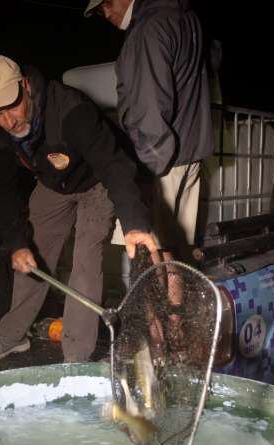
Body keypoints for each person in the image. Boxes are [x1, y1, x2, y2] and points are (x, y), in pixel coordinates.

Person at [0, 55, 157, 362]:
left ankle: (75, 357)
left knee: (85, 263)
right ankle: (12, 335)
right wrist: (17, 243)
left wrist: (134, 222)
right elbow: (0, 189)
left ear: (26, 86)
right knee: (30, 256)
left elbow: (113, 165)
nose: (9, 121)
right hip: (53, 184)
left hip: (95, 181)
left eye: (12, 106)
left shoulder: (71, 110)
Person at [84, 0, 213, 260]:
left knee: (150, 254)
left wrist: (143, 172)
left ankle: (155, 302)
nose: (106, 13)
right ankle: (177, 302)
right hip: (190, 152)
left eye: (107, 4)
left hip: (160, 161)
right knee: (175, 250)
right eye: (100, 11)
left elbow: (149, 105)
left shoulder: (148, 29)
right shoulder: (185, 15)